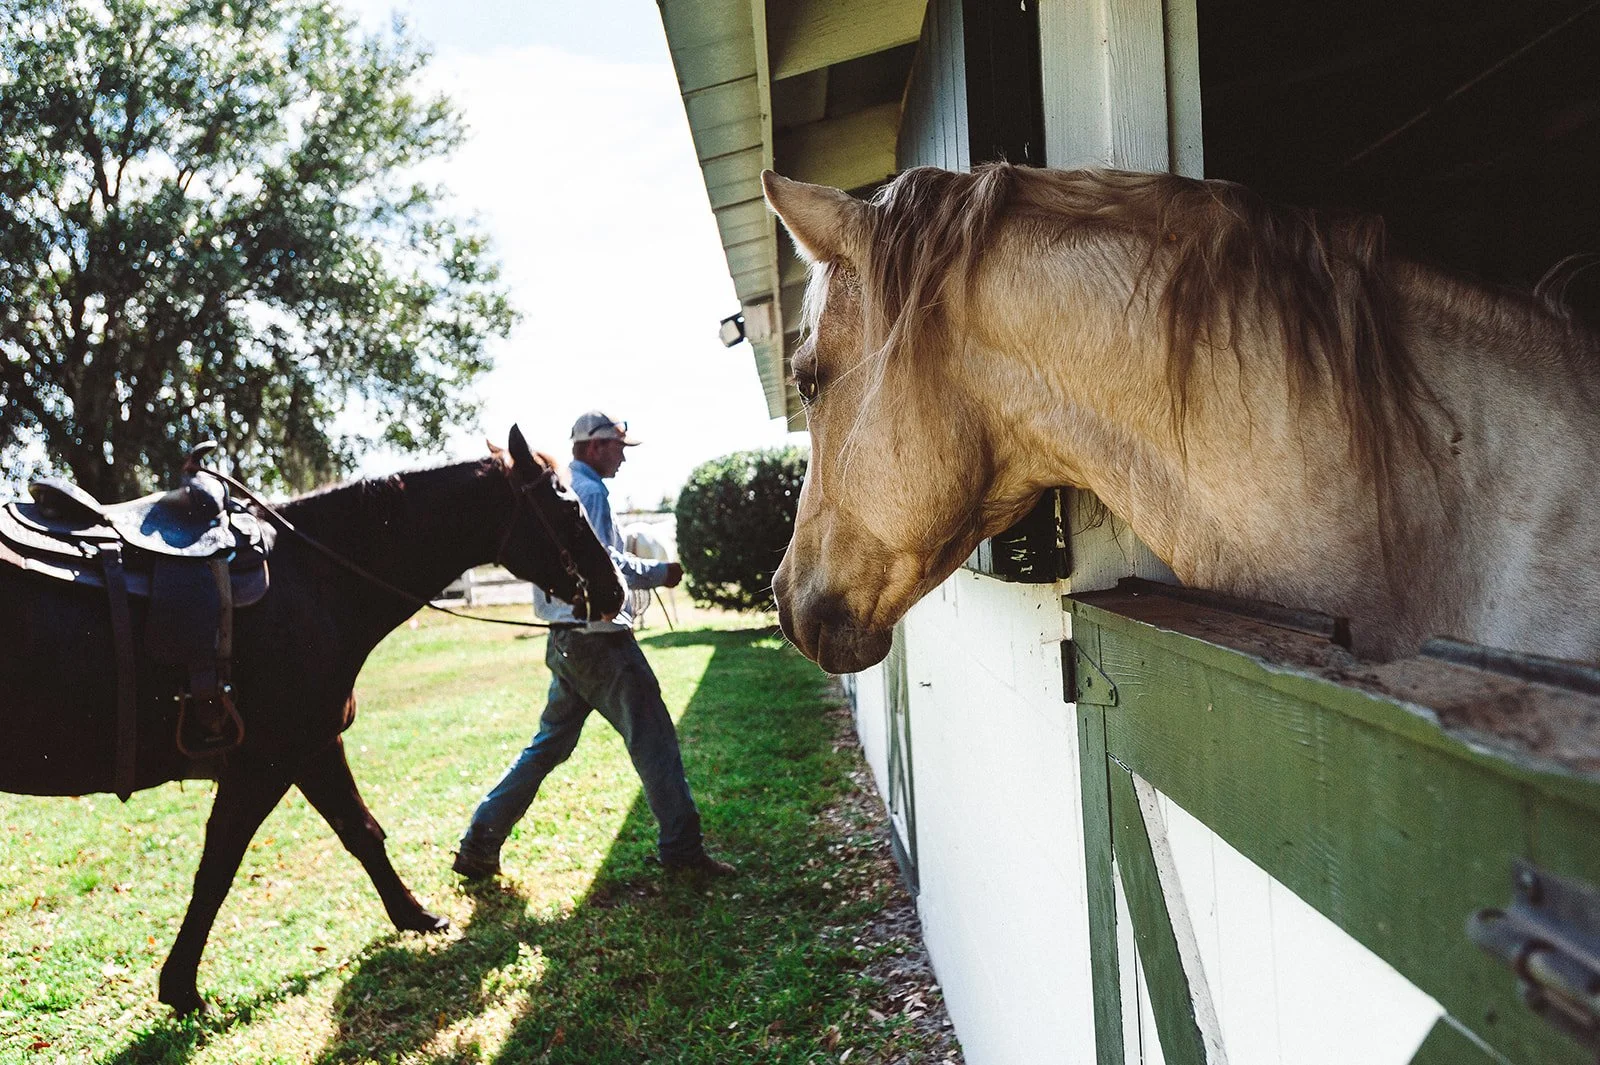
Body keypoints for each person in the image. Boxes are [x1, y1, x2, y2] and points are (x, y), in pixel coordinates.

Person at [453, 411, 733, 879]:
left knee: (546, 748)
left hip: (565, 641)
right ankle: (683, 854)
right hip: (600, 639)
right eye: (619, 446)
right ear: (594, 446)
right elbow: (605, 564)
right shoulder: (588, 491)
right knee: (655, 741)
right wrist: (662, 573)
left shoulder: (566, 485)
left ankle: (479, 844)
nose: (623, 456)